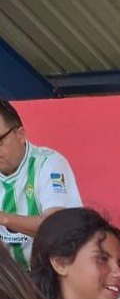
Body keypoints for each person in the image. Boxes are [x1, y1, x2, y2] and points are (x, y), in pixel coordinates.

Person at [0, 99, 82, 269]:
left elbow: (55, 226)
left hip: (51, 273)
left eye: (0, 141)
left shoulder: (48, 163)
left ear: (20, 135)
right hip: (9, 277)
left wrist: (5, 219)